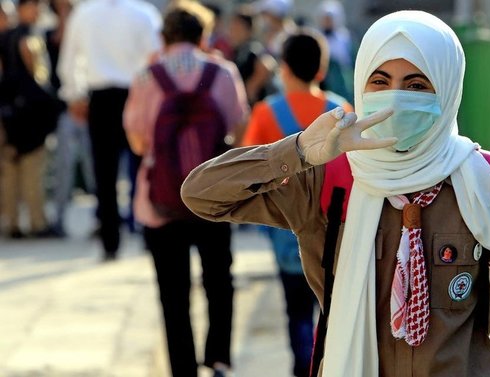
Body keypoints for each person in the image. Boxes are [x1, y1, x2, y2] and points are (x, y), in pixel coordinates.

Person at [181, 10, 490, 377]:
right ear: (361, 85)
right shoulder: (329, 179)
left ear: (446, 89)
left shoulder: (479, 179)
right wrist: (298, 150)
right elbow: (202, 195)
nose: (395, 96)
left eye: (416, 84)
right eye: (380, 81)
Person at [123, 2, 248, 377]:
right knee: (219, 280)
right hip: (213, 197)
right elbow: (237, 130)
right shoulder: (222, 73)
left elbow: (137, 141)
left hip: (161, 201)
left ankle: (182, 367)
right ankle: (219, 357)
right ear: (203, 36)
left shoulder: (147, 77)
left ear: (163, 38)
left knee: (172, 291)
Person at [240, 28, 349, 377]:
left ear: (283, 68)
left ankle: (302, 367)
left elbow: (247, 164)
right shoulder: (341, 112)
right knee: (330, 305)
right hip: (335, 227)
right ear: (322, 69)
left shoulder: (265, 113)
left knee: (296, 309)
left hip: (286, 228)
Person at [57, 0, 162, 259]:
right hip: (134, 94)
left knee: (104, 174)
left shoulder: (85, 13)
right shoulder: (143, 13)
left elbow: (69, 60)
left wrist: (74, 95)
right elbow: (156, 58)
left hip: (101, 100)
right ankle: (149, 234)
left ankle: (110, 242)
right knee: (143, 169)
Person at [0, 0, 60, 239]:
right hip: (29, 114)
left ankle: (12, 223)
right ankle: (37, 222)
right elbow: (37, 74)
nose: (38, 12)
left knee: (10, 170)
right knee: (31, 169)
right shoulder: (27, 36)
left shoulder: (5, 37)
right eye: (34, 6)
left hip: (8, 112)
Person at [46, 0, 95, 237]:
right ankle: (58, 219)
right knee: (63, 168)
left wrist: (84, 100)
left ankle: (101, 219)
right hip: (65, 109)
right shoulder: (48, 33)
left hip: (91, 109)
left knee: (94, 168)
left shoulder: (89, 27)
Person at [227, 5, 276, 106]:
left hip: (254, 107)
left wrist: (250, 90)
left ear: (248, 29)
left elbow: (267, 65)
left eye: (236, 27)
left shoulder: (251, 47)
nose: (232, 31)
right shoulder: (239, 49)